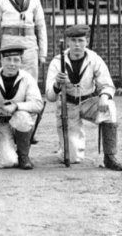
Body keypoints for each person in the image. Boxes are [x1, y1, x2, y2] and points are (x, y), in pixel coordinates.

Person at [44, 24, 122, 170]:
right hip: (68, 106)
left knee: (110, 108)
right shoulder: (57, 61)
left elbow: (108, 85)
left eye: (81, 40)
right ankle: (65, 146)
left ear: (86, 41)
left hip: (89, 102)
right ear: (67, 42)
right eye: (73, 41)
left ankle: (109, 157)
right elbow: (50, 96)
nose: (77, 45)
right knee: (73, 158)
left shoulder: (94, 59)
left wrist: (104, 97)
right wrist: (57, 84)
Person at [0, 44, 43, 169]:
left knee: (23, 117)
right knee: (7, 162)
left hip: (19, 120)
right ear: (1, 60)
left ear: (21, 61)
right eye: (8, 60)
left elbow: (38, 104)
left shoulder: (27, 78)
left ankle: (23, 155)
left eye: (16, 60)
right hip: (0, 122)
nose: (12, 64)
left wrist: (16, 106)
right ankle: (9, 147)